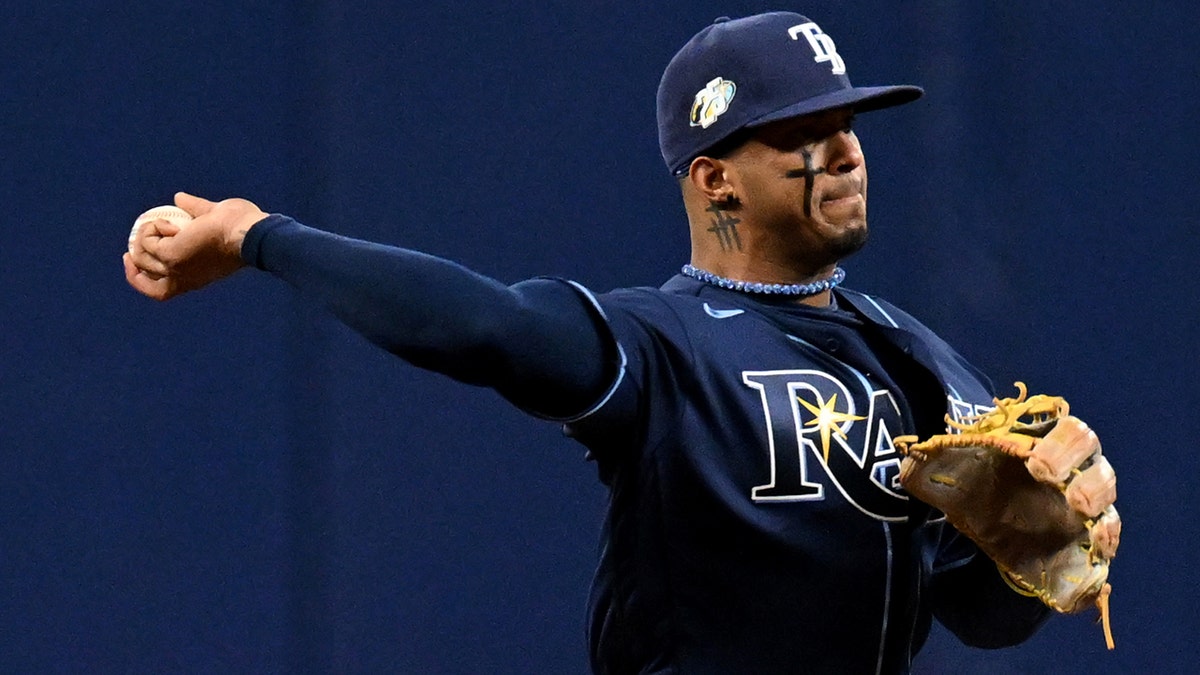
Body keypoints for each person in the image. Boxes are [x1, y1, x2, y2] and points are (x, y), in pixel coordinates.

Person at [125, 11, 1104, 674]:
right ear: (716, 178)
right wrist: (261, 235)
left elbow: (984, 620)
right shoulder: (665, 344)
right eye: (804, 131)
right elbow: (485, 326)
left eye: (849, 121)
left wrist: (1036, 553)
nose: (847, 150)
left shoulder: (918, 359)